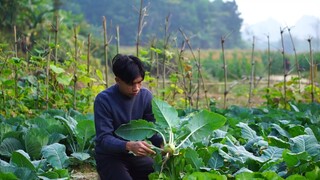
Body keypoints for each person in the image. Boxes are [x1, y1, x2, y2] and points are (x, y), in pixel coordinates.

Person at [93, 54, 162, 180]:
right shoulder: (103, 100)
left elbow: (153, 130)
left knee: (159, 174)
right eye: (131, 84)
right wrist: (129, 145)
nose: (136, 88)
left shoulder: (146, 97)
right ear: (118, 80)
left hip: (135, 156)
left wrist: (163, 143)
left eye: (139, 83)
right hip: (110, 157)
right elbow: (104, 139)